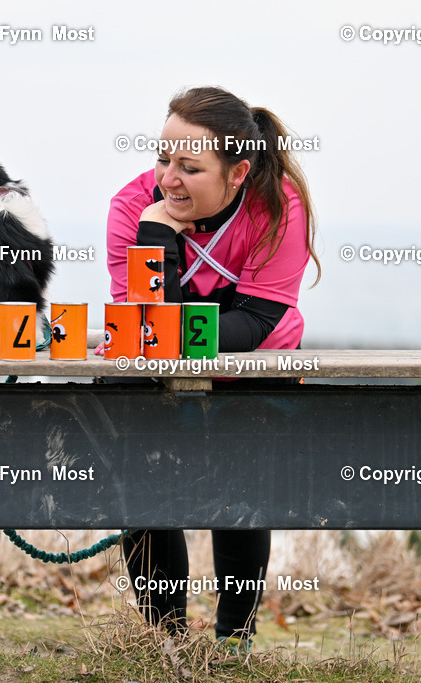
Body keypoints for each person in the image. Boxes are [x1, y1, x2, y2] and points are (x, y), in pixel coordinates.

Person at [100, 86, 321, 649]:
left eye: (190, 167)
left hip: (255, 361)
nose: (168, 180)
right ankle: (168, 640)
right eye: (163, 159)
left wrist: (175, 326)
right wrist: (157, 237)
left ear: (238, 173)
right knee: (145, 483)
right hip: (159, 361)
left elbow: (256, 321)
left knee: (240, 491)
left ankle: (232, 642)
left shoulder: (279, 205)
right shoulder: (132, 208)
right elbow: (146, 329)